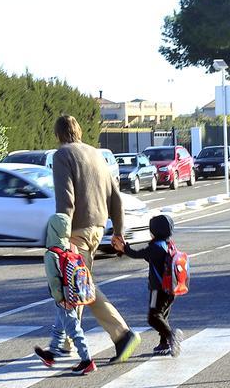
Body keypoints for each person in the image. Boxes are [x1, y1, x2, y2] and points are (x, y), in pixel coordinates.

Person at [52, 115, 141, 364]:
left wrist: (61, 233)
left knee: (82, 285)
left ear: (58, 134)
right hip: (98, 228)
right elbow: (116, 196)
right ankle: (69, 341)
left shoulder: (62, 155)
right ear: (79, 131)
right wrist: (118, 231)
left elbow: (66, 201)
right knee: (76, 285)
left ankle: (122, 334)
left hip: (76, 230)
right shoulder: (96, 154)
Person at [34, 214, 97, 375]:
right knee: (60, 325)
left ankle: (87, 360)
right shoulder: (71, 247)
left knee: (73, 329)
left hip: (64, 298)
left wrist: (60, 299)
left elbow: (54, 281)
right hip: (75, 294)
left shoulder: (51, 254)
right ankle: (51, 354)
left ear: (52, 229)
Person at [114, 214, 183, 357]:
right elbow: (149, 258)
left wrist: (125, 248)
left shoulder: (156, 247)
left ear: (155, 231)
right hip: (171, 289)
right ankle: (164, 343)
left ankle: (171, 337)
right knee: (162, 315)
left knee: (153, 317)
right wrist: (125, 250)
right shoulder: (167, 244)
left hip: (159, 289)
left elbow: (138, 254)